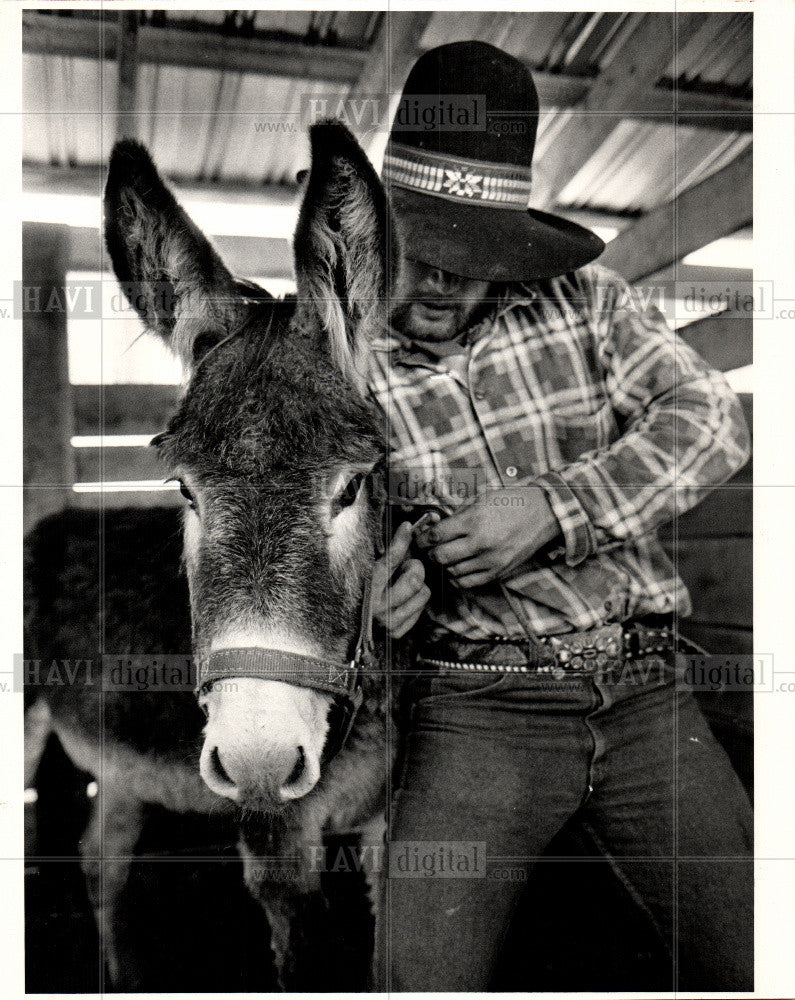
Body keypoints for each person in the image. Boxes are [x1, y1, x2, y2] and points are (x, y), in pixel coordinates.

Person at [368, 41, 753, 991]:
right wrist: (366, 599)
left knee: (753, 958)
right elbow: (311, 521)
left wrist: (555, 506)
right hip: (474, 709)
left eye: (474, 258)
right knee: (416, 979)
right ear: (373, 230)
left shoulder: (588, 303)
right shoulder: (336, 356)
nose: (441, 284)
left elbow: (711, 418)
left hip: (647, 694)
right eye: (419, 248)